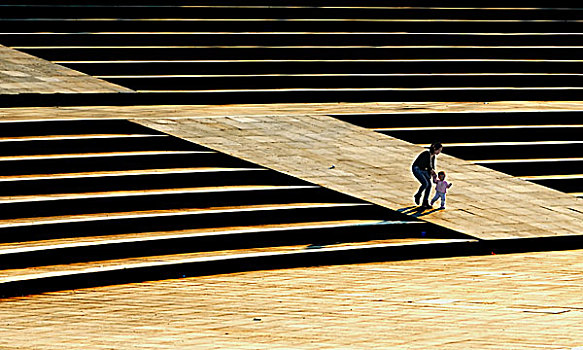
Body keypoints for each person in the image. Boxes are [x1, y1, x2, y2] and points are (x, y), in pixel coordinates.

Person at [411, 142, 442, 208]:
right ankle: (418, 195)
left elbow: (432, 167)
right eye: (438, 150)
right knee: (425, 183)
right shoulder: (426, 154)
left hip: (424, 170)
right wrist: (430, 170)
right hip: (417, 168)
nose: (439, 152)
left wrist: (433, 174)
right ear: (435, 149)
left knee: (429, 185)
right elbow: (423, 165)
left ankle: (425, 201)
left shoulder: (433, 156)